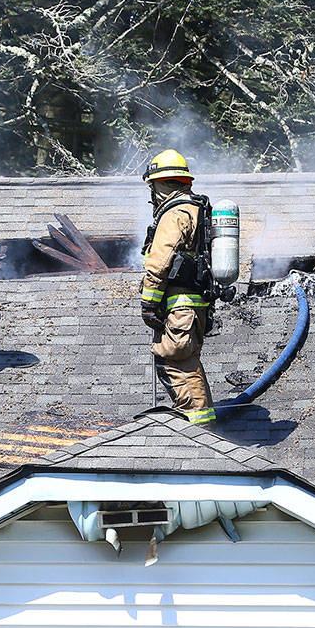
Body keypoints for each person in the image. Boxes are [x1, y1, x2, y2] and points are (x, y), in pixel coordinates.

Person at [140, 149, 216, 426]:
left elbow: (159, 262)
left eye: (152, 186)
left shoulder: (175, 213)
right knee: (186, 362)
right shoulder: (196, 209)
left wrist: (148, 304)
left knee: (176, 362)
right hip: (192, 306)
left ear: (160, 185)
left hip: (179, 306)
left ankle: (198, 432)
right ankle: (201, 423)